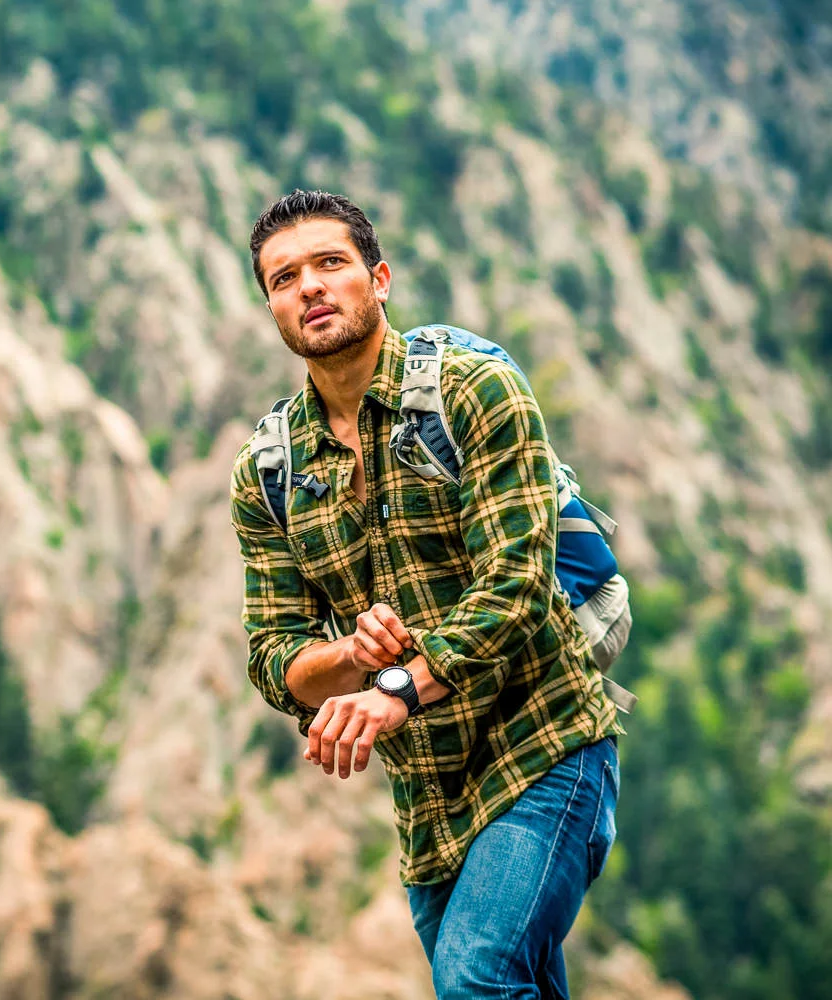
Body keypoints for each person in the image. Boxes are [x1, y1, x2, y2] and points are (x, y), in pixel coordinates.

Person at [230, 190, 625, 999]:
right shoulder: (267, 473)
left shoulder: (474, 391)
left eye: (330, 263)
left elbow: (517, 584)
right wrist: (350, 656)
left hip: (547, 747)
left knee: (476, 980)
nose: (309, 287)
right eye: (284, 278)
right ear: (270, 306)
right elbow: (274, 660)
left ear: (379, 279)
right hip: (429, 806)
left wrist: (396, 691)